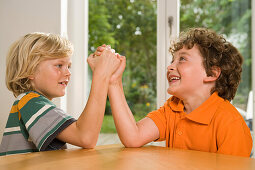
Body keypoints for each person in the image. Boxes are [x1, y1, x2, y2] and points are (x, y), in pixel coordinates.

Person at [95, 27, 253, 157]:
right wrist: (113, 81)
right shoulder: (173, 109)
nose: (170, 67)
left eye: (182, 59)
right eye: (173, 60)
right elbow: (133, 137)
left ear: (211, 74)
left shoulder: (230, 124)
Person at [0, 33, 120, 156]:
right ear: (30, 70)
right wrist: (100, 75)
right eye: (59, 65)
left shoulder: (32, 103)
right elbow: (85, 137)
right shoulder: (30, 102)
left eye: (69, 66)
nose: (68, 73)